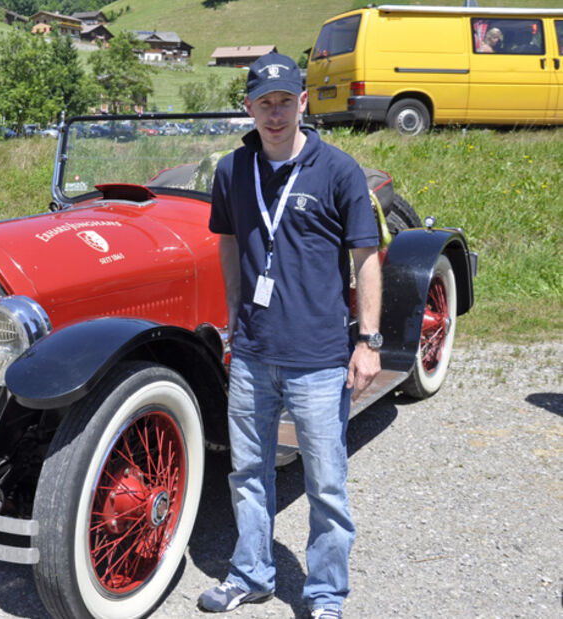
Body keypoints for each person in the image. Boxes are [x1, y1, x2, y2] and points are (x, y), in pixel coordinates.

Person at [197, 52, 382, 618]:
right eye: (263, 103)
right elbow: (228, 239)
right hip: (253, 352)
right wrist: (232, 308)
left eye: (285, 102)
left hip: (319, 357)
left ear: (302, 103)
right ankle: (251, 573)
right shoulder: (232, 169)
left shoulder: (338, 170)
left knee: (326, 484)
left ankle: (325, 595)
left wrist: (368, 341)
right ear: (248, 108)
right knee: (247, 472)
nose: (274, 114)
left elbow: (366, 256)